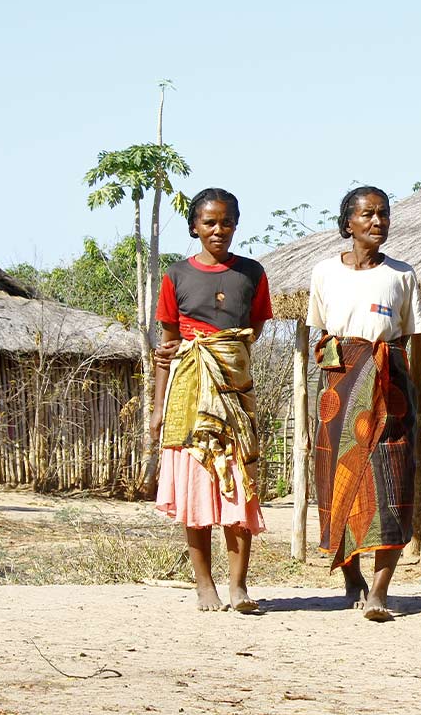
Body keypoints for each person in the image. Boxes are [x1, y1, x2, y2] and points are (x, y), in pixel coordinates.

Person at [151, 187, 273, 613]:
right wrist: (157, 409)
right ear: (194, 227)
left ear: (236, 225)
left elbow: (251, 331)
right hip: (188, 394)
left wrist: (220, 353)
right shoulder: (176, 276)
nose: (218, 230)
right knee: (196, 487)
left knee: (238, 482)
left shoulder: (252, 274)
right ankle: (205, 584)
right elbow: (167, 347)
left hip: (235, 393)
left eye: (226, 222)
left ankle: (238, 586)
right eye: (209, 222)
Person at [306, 185, 421, 622]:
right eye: (368, 214)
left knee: (392, 482)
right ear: (348, 223)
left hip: (390, 387)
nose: (378, 222)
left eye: (384, 214)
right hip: (339, 387)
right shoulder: (324, 273)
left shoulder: (402, 275)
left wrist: (396, 386)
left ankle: (380, 590)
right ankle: (351, 577)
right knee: (339, 479)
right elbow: (320, 335)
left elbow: (409, 337)